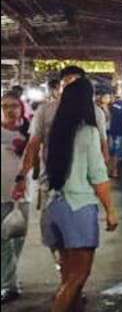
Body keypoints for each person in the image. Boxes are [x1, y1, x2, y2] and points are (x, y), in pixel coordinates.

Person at [24, 79, 117, 312]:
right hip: (78, 208)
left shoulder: (54, 132)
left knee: (67, 273)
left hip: (53, 208)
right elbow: (98, 176)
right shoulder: (88, 133)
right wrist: (110, 211)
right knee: (78, 275)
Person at [14, 66, 109, 211]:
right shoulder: (45, 111)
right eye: (67, 83)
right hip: (50, 185)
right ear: (59, 87)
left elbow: (103, 147)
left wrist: (101, 180)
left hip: (83, 189)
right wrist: (23, 175)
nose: (72, 88)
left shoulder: (96, 113)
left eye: (76, 83)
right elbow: (33, 145)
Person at [1, 92, 30, 303]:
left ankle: (10, 277)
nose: (10, 110)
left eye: (14, 106)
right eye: (5, 106)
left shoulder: (29, 131)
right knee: (2, 240)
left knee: (17, 237)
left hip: (22, 195)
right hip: (1, 194)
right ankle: (8, 284)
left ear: (21, 108)